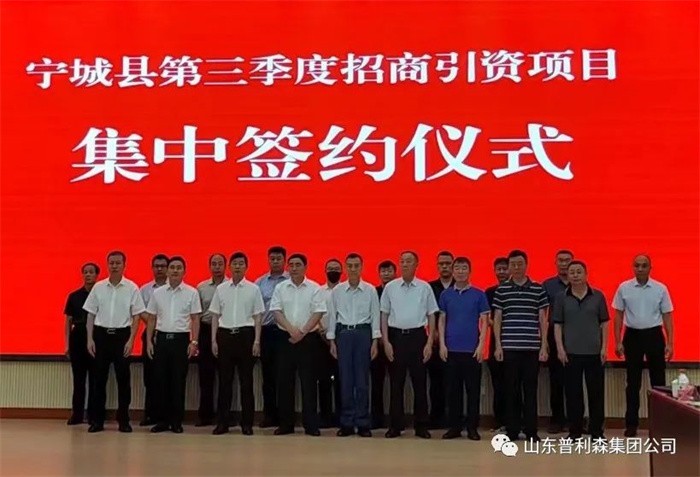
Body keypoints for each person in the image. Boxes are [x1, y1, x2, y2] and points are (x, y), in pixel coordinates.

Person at [84, 251, 146, 433]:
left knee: (123, 380)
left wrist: (131, 340)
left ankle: (124, 420)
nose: (114, 266)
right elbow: (90, 315)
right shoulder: (98, 287)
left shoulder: (132, 288)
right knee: (99, 380)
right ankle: (97, 421)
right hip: (101, 336)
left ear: (124, 265)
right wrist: (89, 339)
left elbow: (136, 317)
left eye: (118, 263)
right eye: (111, 263)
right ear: (107, 265)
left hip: (122, 337)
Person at [613, 254, 674, 438]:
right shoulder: (624, 287)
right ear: (633, 267)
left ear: (650, 268)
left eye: (644, 265)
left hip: (654, 335)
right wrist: (618, 341)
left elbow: (667, 316)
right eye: (637, 265)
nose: (640, 268)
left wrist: (670, 342)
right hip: (632, 336)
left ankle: (660, 424)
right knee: (633, 383)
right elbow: (618, 315)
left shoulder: (660, 288)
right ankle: (631, 424)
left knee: (658, 383)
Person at [380, 251, 438, 439]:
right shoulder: (391, 287)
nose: (405, 264)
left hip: (418, 337)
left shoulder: (424, 287)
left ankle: (421, 425)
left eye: (409, 261)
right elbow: (384, 315)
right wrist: (386, 342)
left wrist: (429, 341)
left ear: (416, 264)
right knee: (396, 384)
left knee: (419, 383)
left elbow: (431, 315)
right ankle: (395, 426)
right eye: (402, 261)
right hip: (396, 338)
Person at [493, 250, 548, 442]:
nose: (516, 267)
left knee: (530, 391)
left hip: (531, 348)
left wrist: (544, 345)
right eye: (513, 264)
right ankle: (512, 430)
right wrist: (498, 345)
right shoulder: (502, 290)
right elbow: (497, 319)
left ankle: (531, 430)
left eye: (520, 264)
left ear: (526, 265)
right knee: (511, 391)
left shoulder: (538, 289)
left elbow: (542, 319)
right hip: (509, 347)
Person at [270, 253, 326, 436]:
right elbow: (276, 311)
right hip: (285, 338)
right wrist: (291, 330)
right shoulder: (280, 287)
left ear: (305, 267)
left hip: (308, 340)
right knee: (284, 382)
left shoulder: (314, 288)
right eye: (291, 265)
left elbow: (318, 312)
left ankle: (311, 424)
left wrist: (302, 332)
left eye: (298, 265)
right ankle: (286, 424)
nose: (294, 268)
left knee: (309, 382)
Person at [209, 252, 265, 436]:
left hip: (246, 336)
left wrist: (257, 340)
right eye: (234, 263)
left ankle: (247, 423)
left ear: (246, 267)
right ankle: (222, 423)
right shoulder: (221, 289)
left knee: (246, 382)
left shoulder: (253, 289)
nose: (237, 266)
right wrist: (214, 340)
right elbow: (215, 316)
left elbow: (258, 317)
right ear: (230, 266)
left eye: (241, 263)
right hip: (225, 336)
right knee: (224, 382)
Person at [553, 260, 609, 441]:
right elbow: (557, 325)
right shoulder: (561, 297)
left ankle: (596, 432)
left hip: (594, 353)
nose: (575, 275)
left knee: (596, 394)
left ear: (586, 274)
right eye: (572, 272)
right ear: (568, 275)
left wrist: (604, 347)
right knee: (573, 395)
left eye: (579, 272)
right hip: (570, 353)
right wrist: (560, 349)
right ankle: (575, 431)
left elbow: (604, 323)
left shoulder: (598, 296)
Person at [145, 256, 201, 434]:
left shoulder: (191, 292)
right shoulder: (158, 293)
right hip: (161, 339)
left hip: (181, 340)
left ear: (184, 271)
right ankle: (162, 421)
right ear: (168, 271)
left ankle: (176, 421)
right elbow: (151, 318)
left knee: (178, 381)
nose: (175, 270)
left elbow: (195, 319)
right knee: (160, 381)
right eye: (172, 267)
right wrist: (149, 341)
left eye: (179, 267)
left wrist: (194, 341)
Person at [327, 253, 381, 437]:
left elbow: (375, 316)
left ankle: (363, 422)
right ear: (345, 267)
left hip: (363, 334)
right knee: (346, 380)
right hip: (344, 334)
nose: (353, 269)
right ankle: (347, 422)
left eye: (356, 265)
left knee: (362, 381)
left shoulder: (370, 290)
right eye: (349, 266)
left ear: (362, 267)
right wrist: (332, 341)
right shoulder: (337, 291)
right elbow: (332, 316)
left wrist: (375, 341)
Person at [438, 257, 490, 440]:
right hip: (451, 349)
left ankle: (472, 428)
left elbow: (485, 322)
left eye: (464, 268)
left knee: (473, 391)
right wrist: (442, 344)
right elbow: (442, 320)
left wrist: (481, 345)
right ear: (453, 272)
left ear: (470, 271)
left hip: (472, 350)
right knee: (453, 391)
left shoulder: (479, 294)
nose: (460, 271)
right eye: (457, 268)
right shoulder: (445, 295)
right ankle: (455, 427)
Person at [255, 246, 289, 428]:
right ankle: (269, 415)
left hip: (286, 332)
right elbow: (256, 312)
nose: (275, 261)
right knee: (268, 376)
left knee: (285, 375)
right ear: (268, 260)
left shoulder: (291, 281)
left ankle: (285, 416)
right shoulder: (260, 283)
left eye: (278, 258)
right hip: (267, 332)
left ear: (284, 260)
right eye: (272, 259)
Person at [542, 249, 574, 434]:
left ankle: (574, 420)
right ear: (555, 263)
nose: (564, 263)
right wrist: (543, 340)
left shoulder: (579, 283)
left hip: (575, 336)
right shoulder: (548, 285)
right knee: (555, 379)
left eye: (567, 260)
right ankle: (557, 420)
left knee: (574, 379)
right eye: (560, 260)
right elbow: (542, 314)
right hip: (554, 336)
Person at [63, 262, 99, 425]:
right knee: (78, 379)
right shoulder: (74, 296)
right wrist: (67, 344)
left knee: (95, 379)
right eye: (85, 272)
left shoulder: (100, 295)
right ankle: (77, 414)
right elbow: (68, 322)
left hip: (96, 337)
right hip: (77, 336)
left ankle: (93, 414)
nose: (88, 275)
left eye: (91, 272)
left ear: (97, 275)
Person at [195, 253, 228, 427]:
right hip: (206, 331)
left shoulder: (231, 286)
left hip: (225, 331)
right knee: (205, 375)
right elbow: (196, 314)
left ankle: (224, 416)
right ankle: (205, 415)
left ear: (225, 266)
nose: (217, 267)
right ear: (209, 266)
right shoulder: (201, 287)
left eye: (220, 263)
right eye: (214, 264)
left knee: (225, 376)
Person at [138, 253, 169, 427]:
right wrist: (153, 323)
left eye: (163, 266)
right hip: (150, 334)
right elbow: (141, 311)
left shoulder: (175, 288)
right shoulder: (145, 289)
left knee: (167, 376)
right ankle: (150, 414)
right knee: (150, 377)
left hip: (169, 334)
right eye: (156, 266)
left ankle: (166, 416)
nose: (159, 269)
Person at [427, 251, 454, 429]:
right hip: (435, 341)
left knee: (453, 383)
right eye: (441, 264)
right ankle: (435, 418)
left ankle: (453, 419)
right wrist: (433, 333)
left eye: (447, 263)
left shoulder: (460, 285)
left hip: (456, 341)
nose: (444, 266)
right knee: (435, 383)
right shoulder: (429, 287)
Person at [485, 257, 511, 432]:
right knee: (498, 385)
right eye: (498, 269)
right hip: (495, 344)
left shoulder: (516, 291)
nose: (501, 272)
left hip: (514, 342)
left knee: (514, 385)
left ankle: (515, 421)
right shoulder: (490, 292)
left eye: (504, 269)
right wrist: (496, 325)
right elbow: (486, 316)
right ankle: (499, 420)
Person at [317, 258, 343, 428]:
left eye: (336, 268)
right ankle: (325, 417)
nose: (333, 271)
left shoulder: (345, 290)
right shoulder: (318, 291)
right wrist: (322, 331)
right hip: (321, 340)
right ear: (325, 271)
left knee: (342, 380)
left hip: (342, 340)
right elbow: (315, 312)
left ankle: (341, 416)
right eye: (330, 268)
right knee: (323, 380)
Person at [371, 260, 396, 429]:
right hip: (375, 341)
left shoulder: (398, 291)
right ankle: (376, 419)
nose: (386, 274)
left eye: (389, 271)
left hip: (395, 340)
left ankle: (395, 420)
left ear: (395, 273)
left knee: (396, 381)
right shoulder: (373, 292)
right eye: (383, 271)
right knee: (376, 382)